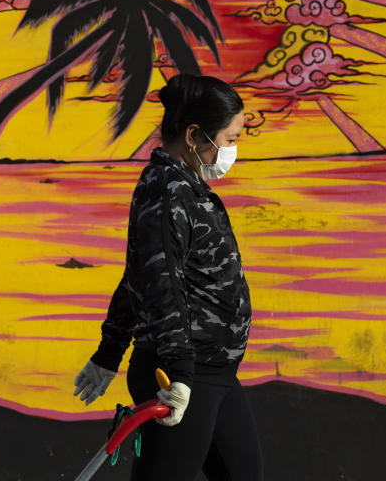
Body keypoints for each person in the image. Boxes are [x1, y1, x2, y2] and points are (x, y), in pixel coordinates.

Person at [73, 74, 263, 481]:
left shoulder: (186, 187)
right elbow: (158, 283)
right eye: (229, 139)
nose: (233, 150)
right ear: (195, 136)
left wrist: (110, 352)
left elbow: (139, 273)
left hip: (215, 371)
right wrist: (178, 373)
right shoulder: (167, 192)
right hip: (181, 374)